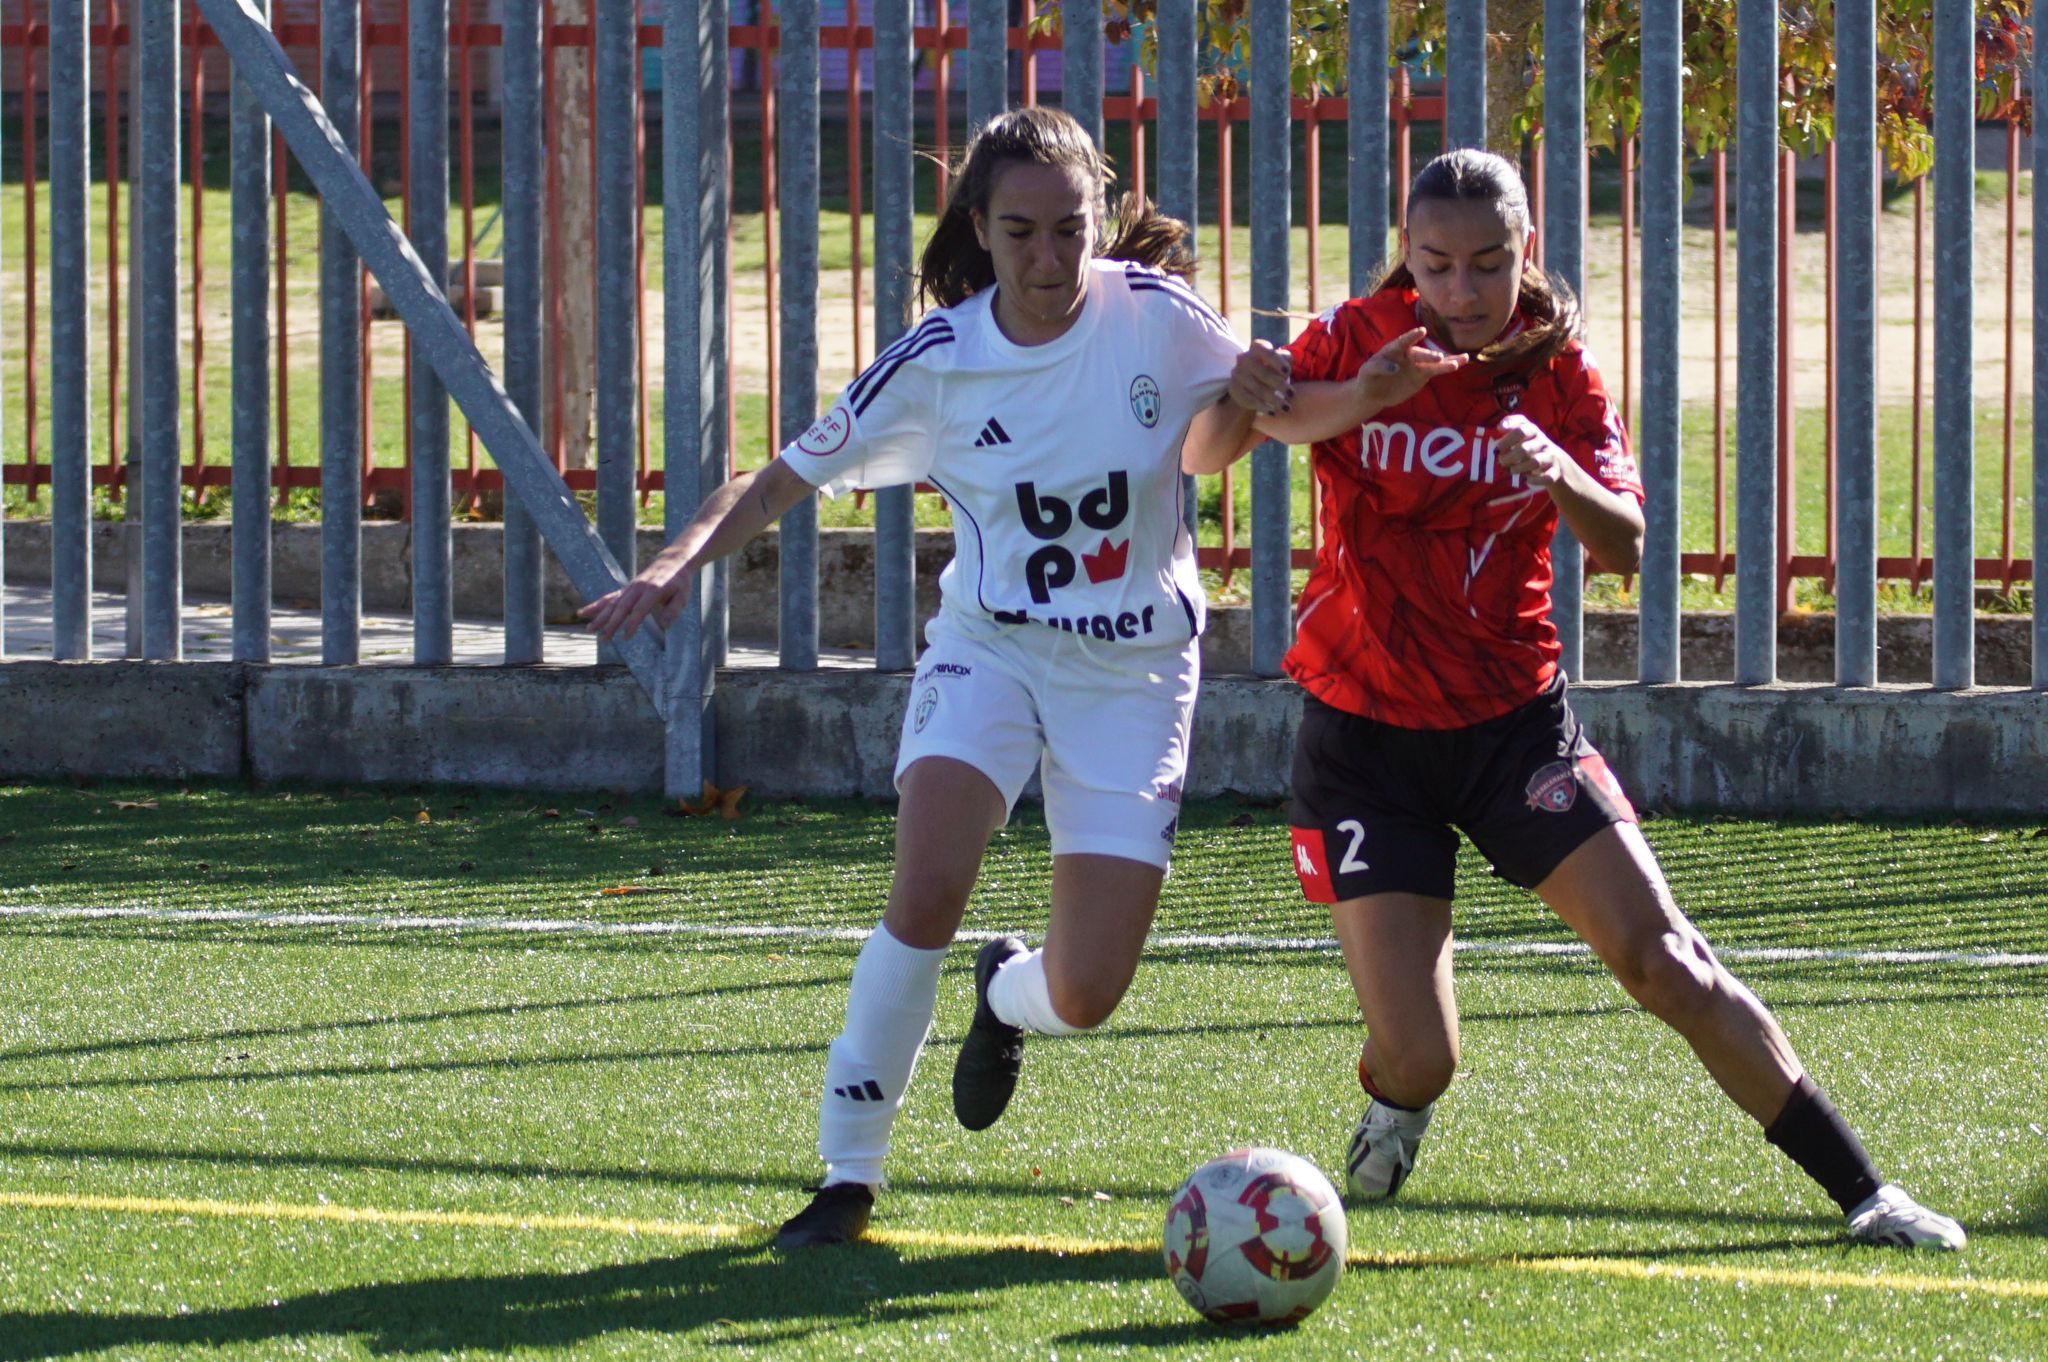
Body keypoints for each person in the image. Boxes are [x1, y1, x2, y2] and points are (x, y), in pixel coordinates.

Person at [1182, 147, 1965, 1250]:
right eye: (1438, 264)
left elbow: (1627, 539)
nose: (1460, 292)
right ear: (1406, 255)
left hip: (1514, 731)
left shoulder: (1556, 370)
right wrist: (1267, 395)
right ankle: (1396, 1101)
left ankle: (1863, 1191)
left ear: (1525, 253)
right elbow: (1209, 449)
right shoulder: (1355, 338)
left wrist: (1557, 470)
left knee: (1665, 963)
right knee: (1419, 1057)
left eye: (1487, 264)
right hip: (1363, 741)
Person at [582, 106, 1249, 1247]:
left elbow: (1238, 425)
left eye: (1069, 230)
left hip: (1131, 673)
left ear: (1101, 217)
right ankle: (847, 1175)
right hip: (986, 648)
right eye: (1019, 232)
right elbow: (783, 475)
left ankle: (1005, 995)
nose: (1047, 259)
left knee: (1085, 995)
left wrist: (1305, 390)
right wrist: (673, 563)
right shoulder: (939, 360)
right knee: (925, 887)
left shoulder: (1160, 319)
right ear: (980, 231)